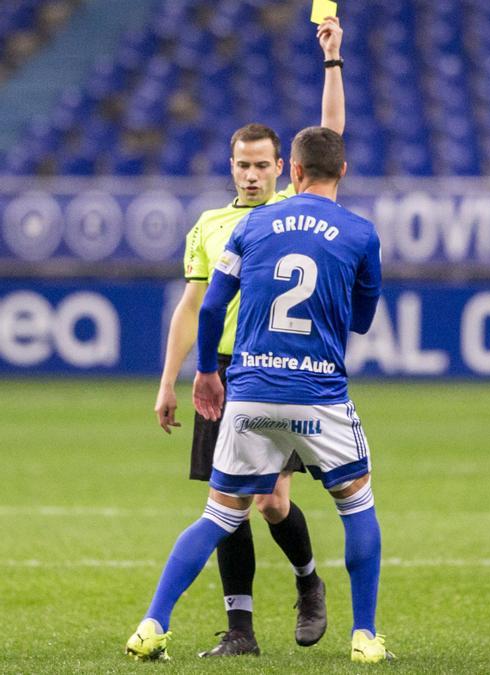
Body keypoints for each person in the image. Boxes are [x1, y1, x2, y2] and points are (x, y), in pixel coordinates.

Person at [126, 126, 389, 663]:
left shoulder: (251, 226)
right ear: (343, 171)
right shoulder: (361, 233)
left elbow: (211, 304)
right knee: (356, 504)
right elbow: (362, 320)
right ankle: (364, 635)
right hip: (318, 390)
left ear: (290, 171)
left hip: (249, 390)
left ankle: (152, 624)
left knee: (221, 514)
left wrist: (204, 372)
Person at [151, 16, 345, 656]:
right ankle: (240, 631)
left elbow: (331, 139)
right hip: (219, 367)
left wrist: (332, 62)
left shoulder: (293, 210)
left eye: (264, 164)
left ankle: (309, 581)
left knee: (267, 501)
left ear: (282, 168)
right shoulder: (208, 224)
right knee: (225, 500)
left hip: (277, 365)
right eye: (243, 164)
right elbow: (191, 304)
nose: (253, 174)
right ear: (231, 165)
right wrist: (169, 380)